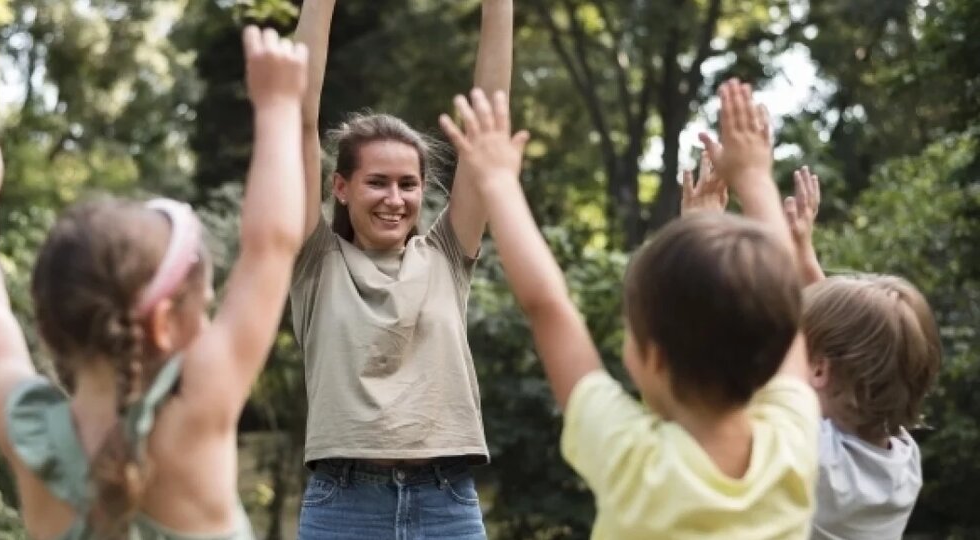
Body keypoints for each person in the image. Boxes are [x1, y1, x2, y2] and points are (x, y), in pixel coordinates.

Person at [0, 28, 308, 539]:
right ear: (161, 323)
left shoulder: (30, 432)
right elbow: (271, 245)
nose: (209, 316)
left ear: (49, 324)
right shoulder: (197, 406)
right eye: (202, 306)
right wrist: (280, 104)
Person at [440, 80, 821, 539]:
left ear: (654, 356)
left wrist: (497, 180)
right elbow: (784, 308)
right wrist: (754, 178)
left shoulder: (634, 461)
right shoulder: (792, 444)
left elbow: (549, 306)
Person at [289, 1, 512, 538]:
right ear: (340, 187)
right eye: (377, 182)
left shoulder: (445, 256)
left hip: (447, 504)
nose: (394, 199)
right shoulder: (315, 260)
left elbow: (488, 120)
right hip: (343, 505)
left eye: (407, 184)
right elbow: (296, 117)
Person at [782, 168, 942, 540]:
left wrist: (748, 182)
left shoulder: (813, 455)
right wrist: (802, 253)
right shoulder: (901, 463)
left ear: (819, 369)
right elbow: (865, 338)